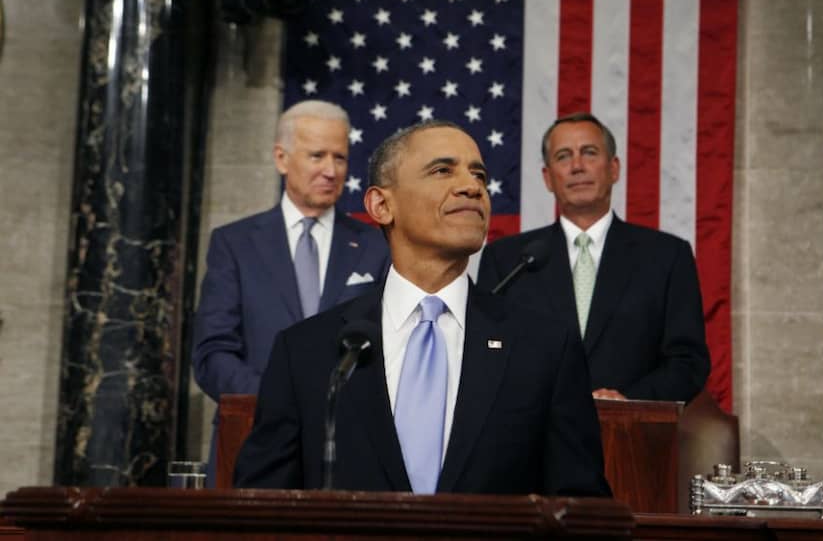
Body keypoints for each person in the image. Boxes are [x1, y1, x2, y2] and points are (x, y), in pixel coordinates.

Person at [233, 121, 610, 496]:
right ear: (381, 205)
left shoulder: (545, 348)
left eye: (478, 174)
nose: (471, 186)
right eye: (443, 170)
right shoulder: (306, 352)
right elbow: (260, 508)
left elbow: (582, 509)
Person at [193, 100, 390, 484]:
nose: (331, 171)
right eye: (317, 156)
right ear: (281, 159)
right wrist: (281, 400)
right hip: (252, 439)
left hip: (347, 448)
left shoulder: (376, 245)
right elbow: (212, 353)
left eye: (340, 157)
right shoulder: (234, 244)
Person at [478, 112, 710, 403]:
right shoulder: (508, 259)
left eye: (589, 153)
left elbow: (688, 362)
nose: (577, 166)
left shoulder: (667, 256)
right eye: (563, 156)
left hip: (630, 435)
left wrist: (627, 401)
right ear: (548, 178)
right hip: (530, 437)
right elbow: (486, 352)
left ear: (614, 168)